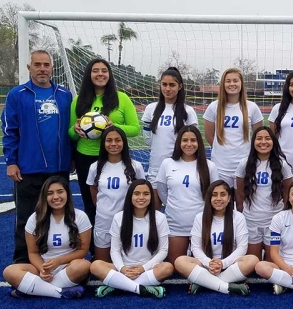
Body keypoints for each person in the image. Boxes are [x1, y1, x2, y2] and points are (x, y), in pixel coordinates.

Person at [1, 50, 73, 264]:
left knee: (59, 217)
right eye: (37, 65)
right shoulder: (17, 94)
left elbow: (70, 129)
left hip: (58, 169)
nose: (42, 69)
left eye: (46, 65)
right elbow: (9, 130)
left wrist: (71, 158)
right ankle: (23, 262)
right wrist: (11, 161)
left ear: (52, 68)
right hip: (28, 168)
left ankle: (57, 259)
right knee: (26, 218)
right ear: (29, 67)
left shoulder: (64, 94)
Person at [69, 58, 140, 232]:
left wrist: (113, 127)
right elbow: (70, 132)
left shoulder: (121, 98)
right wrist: (76, 129)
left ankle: (123, 243)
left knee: (121, 201)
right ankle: (95, 247)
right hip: (85, 157)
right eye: (95, 70)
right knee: (91, 203)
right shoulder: (78, 100)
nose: (100, 74)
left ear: (109, 74)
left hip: (115, 157)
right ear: (89, 74)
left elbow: (135, 129)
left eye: (104, 70)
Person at [3, 176, 91, 299]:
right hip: (43, 266)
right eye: (50, 193)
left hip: (68, 267)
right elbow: (33, 253)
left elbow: (82, 251)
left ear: (67, 193)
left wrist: (59, 261)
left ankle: (32, 289)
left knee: (84, 265)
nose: (56, 197)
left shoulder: (80, 217)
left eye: (60, 192)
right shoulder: (35, 218)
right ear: (44, 197)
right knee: (9, 271)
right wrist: (42, 269)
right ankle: (59, 292)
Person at [90, 179, 173, 298]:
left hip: (148, 268)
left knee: (167, 268)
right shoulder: (119, 217)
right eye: (136, 193)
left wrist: (143, 268)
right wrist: (122, 269)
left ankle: (118, 286)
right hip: (124, 268)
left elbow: (163, 250)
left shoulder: (160, 218)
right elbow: (114, 250)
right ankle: (141, 288)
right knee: (95, 265)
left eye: (146, 194)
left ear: (151, 196)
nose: (141, 197)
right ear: (130, 196)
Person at [174, 181, 258, 296]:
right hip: (205, 265)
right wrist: (209, 263)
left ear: (229, 198)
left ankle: (204, 282)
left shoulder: (238, 217)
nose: (218, 198)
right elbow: (196, 247)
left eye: (223, 194)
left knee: (253, 260)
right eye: (214, 195)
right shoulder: (200, 217)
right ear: (209, 198)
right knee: (180, 261)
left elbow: (242, 247)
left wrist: (222, 263)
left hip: (229, 264)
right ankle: (225, 287)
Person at [157, 125, 218, 264]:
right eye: (185, 140)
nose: (189, 144)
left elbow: (214, 195)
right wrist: (175, 206)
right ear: (179, 142)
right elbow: (162, 191)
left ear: (199, 143)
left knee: (204, 264)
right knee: (176, 264)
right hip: (175, 224)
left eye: (193, 140)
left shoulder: (209, 166)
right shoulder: (167, 163)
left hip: (202, 223)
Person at [86, 126, 145, 262]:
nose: (113, 144)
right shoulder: (95, 167)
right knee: (102, 264)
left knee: (128, 261)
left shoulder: (135, 166)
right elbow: (93, 191)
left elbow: (142, 191)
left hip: (128, 220)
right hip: (104, 221)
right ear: (103, 143)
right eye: (109, 140)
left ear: (124, 142)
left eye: (117, 140)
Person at [142, 67, 198, 208]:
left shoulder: (188, 111)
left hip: (179, 167)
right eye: (164, 84)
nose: (167, 88)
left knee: (178, 208)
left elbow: (194, 142)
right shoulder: (151, 109)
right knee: (154, 214)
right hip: (156, 167)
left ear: (180, 86)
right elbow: (148, 139)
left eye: (172, 85)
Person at [235, 126, 293, 261]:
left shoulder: (282, 165)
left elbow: (288, 191)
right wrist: (242, 212)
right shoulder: (244, 164)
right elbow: (239, 191)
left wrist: (283, 214)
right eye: (259, 138)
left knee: (272, 262)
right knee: (252, 262)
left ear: (273, 141)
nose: (263, 142)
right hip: (251, 221)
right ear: (253, 142)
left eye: (267, 138)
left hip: (274, 222)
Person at [204, 68, 264, 188]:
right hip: (220, 166)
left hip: (244, 165)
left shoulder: (252, 107)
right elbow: (209, 136)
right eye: (228, 81)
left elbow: (259, 137)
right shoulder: (213, 107)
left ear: (241, 83)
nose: (232, 84)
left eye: (235, 81)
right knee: (220, 202)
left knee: (243, 203)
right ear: (223, 84)